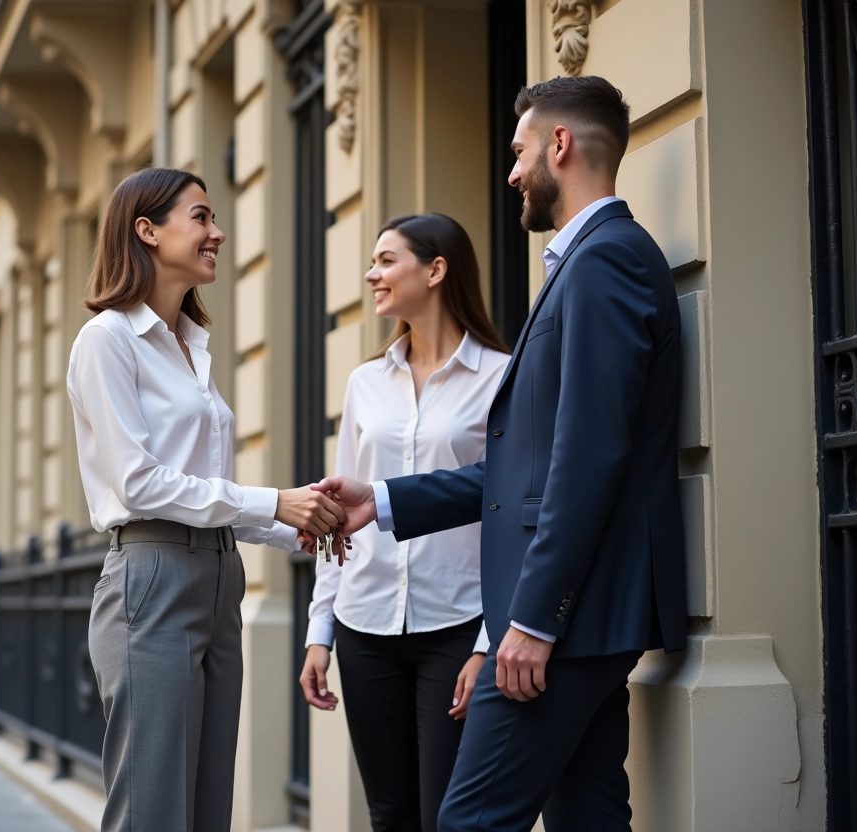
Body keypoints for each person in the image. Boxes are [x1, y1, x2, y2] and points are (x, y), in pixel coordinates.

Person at [315, 75, 687, 832]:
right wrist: (380, 501)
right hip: (587, 615)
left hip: (569, 618)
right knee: (589, 817)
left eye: (520, 152)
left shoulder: (605, 260)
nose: (512, 172)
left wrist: (536, 620)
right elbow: (521, 473)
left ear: (560, 145)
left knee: (469, 822)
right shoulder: (591, 261)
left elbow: (588, 459)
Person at [66, 166, 346, 832]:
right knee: (154, 811)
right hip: (153, 579)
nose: (217, 232)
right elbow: (139, 483)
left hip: (219, 580)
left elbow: (202, 489)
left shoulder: (191, 347)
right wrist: (273, 504)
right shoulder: (108, 340)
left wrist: (295, 527)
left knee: (207, 809)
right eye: (201, 217)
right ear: (147, 231)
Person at [298, 214, 510, 832]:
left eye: (387, 261)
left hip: (459, 624)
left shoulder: (501, 377)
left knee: (449, 815)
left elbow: (509, 513)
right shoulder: (365, 383)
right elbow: (338, 513)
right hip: (364, 624)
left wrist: (487, 643)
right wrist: (320, 631)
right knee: (389, 814)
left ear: (436, 270)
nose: (372, 274)